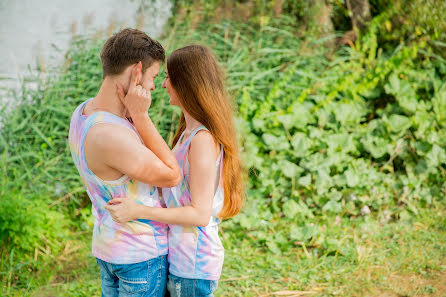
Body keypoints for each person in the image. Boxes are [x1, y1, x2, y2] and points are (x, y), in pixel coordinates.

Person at [105, 45, 244, 296]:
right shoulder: (186, 134)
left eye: (169, 77)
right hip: (183, 259)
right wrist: (132, 115)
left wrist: (139, 211)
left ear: (186, 83)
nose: (163, 85)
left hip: (193, 264)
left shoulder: (201, 140)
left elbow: (200, 214)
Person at [68, 28, 181, 297]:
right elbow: (172, 175)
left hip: (110, 248)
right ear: (136, 71)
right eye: (153, 76)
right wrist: (141, 117)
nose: (154, 86)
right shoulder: (110, 135)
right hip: (139, 257)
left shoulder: (83, 112)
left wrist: (131, 115)